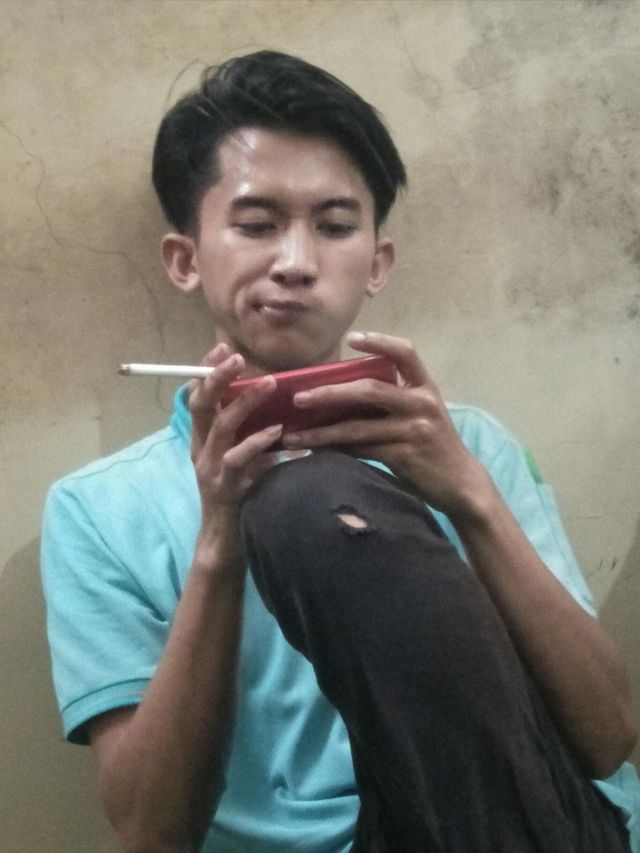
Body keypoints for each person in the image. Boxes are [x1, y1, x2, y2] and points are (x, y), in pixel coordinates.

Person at [41, 51, 640, 852]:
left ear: (377, 263)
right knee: (301, 504)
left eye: (334, 225)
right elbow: (152, 830)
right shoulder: (99, 509)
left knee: (310, 501)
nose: (296, 263)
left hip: (537, 823)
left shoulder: (468, 444)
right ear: (186, 260)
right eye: (257, 225)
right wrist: (220, 540)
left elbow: (606, 737)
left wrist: (468, 494)